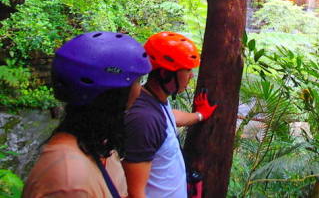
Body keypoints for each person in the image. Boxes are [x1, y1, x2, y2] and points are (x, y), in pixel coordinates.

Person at [23, 31, 152, 198]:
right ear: (111, 96)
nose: (140, 90)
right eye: (136, 82)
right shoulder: (71, 182)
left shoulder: (99, 146)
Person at [123, 31, 217, 198]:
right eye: (187, 70)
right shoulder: (144, 119)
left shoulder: (154, 100)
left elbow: (170, 118)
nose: (191, 76)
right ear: (165, 74)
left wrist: (200, 115)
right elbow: (134, 193)